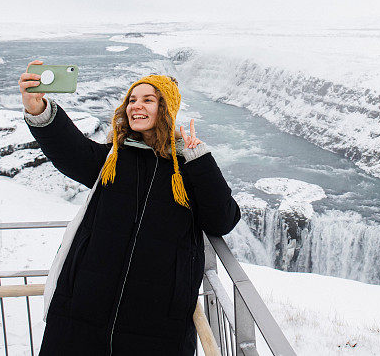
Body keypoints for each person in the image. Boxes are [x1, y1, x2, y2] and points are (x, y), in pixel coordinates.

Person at [18, 60, 241, 355]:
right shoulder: (112, 160)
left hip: (157, 320)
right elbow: (70, 149)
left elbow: (222, 220)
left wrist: (198, 157)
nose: (136, 106)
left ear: (166, 109)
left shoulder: (187, 168)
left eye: (148, 100)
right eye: (132, 100)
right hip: (84, 309)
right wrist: (38, 109)